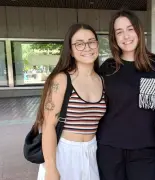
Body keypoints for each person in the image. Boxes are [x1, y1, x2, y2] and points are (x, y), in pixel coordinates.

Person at [97, 9, 155, 180]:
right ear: (114, 38)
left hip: (146, 149)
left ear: (139, 31)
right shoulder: (107, 68)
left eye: (130, 29)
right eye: (119, 32)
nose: (126, 36)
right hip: (110, 148)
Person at [34, 23, 106, 180]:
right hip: (64, 152)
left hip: (92, 152)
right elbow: (48, 125)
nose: (87, 47)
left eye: (91, 41)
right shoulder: (62, 79)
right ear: (71, 50)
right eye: (79, 44)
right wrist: (51, 168)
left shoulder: (102, 80)